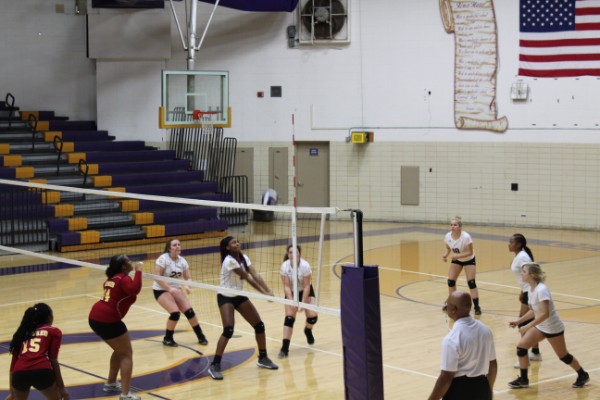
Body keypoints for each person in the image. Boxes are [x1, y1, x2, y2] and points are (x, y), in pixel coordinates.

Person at [508, 262, 590, 389]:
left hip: (553, 328)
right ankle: (524, 379)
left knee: (563, 356)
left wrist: (527, 326)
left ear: (532, 275)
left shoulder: (542, 290)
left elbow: (545, 314)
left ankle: (582, 374)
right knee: (521, 347)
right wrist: (519, 322)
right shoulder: (530, 289)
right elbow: (534, 311)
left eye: (524, 272)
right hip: (541, 326)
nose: (521, 274)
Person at [207, 236, 278, 380]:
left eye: (238, 241)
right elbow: (246, 277)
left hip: (239, 295)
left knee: (259, 325)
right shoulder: (229, 261)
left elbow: (255, 274)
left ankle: (263, 358)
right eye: (233, 242)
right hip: (225, 296)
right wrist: (264, 294)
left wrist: (268, 290)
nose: (237, 243)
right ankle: (215, 365)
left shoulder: (244, 257)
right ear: (227, 247)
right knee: (228, 330)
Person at [88, 254, 143, 400]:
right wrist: (138, 271)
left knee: (120, 351)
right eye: (129, 261)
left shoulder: (112, 279)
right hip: (108, 320)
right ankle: (125, 395)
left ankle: (111, 383)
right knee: (126, 354)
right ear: (124, 266)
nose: (132, 262)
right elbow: (135, 289)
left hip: (95, 317)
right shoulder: (123, 279)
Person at [428, 291, 496, 400]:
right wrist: (488, 390)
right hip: (482, 387)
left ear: (454, 309)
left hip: (460, 390)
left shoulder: (452, 339)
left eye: (447, 304)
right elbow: (493, 365)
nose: (445, 306)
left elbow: (446, 376)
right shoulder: (486, 330)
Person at [153, 238, 208, 347]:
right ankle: (167, 339)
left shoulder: (182, 261)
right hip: (161, 289)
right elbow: (157, 277)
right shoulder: (163, 259)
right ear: (169, 248)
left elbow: (188, 277)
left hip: (175, 289)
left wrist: (187, 286)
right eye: (174, 245)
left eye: (179, 244)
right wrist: (169, 289)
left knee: (190, 312)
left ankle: (201, 336)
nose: (177, 246)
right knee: (175, 313)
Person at [7, 303, 69, 400]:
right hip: (42, 371)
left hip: (19, 374)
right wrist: (62, 389)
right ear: (49, 318)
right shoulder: (53, 331)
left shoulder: (22, 334)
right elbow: (53, 360)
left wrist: (11, 392)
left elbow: (13, 365)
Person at [278, 245, 318, 358]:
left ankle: (308, 330)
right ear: (288, 254)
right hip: (291, 291)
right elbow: (286, 286)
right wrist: (292, 302)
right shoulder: (284, 266)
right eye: (290, 252)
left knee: (312, 317)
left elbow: (306, 286)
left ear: (299, 254)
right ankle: (284, 348)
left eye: (295, 252)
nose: (292, 255)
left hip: (305, 290)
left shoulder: (305, 266)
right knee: (289, 318)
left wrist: (303, 303)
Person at [508, 233, 542, 365]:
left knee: (523, 323)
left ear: (519, 244)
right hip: (527, 291)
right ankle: (535, 352)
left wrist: (532, 291)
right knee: (531, 321)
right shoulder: (519, 255)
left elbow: (533, 272)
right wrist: (522, 290)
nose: (509, 244)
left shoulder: (523, 257)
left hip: (531, 292)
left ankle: (525, 355)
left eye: (511, 242)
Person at [442, 217, 481, 315]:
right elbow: (448, 248)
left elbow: (470, 252)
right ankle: (452, 304)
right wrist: (445, 255)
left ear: (460, 227)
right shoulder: (447, 236)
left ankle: (476, 306)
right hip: (457, 259)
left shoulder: (466, 237)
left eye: (455, 225)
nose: (452, 227)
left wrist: (458, 255)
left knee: (471, 282)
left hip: (469, 259)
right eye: (451, 225)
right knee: (451, 281)